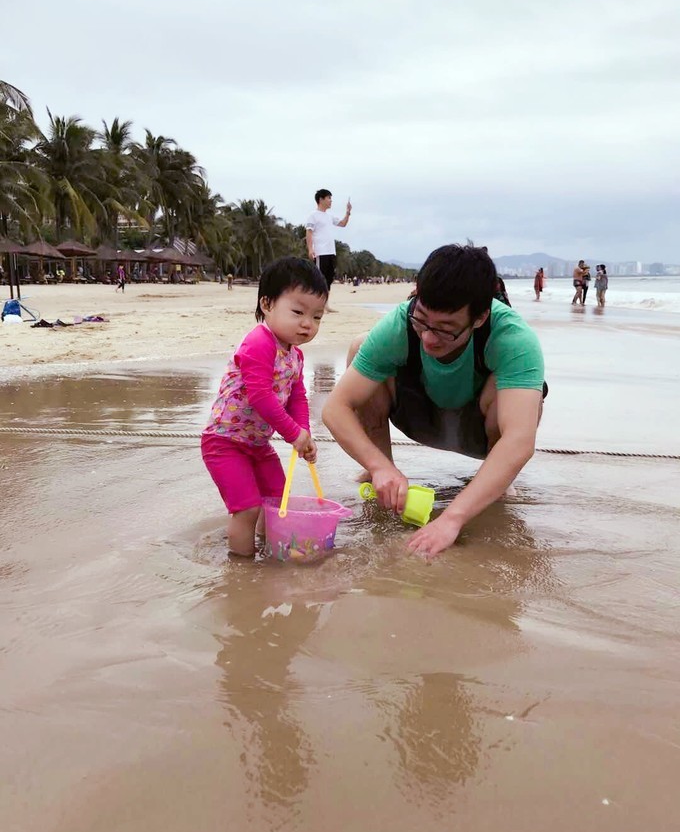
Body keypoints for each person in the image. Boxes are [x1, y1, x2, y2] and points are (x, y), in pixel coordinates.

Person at [322, 243, 545, 558]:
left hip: (478, 432)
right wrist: (378, 465)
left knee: (516, 393)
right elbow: (335, 408)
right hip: (419, 416)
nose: (428, 337)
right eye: (422, 320)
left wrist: (452, 519)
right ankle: (382, 475)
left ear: (480, 317)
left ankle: (496, 483)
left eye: (446, 330)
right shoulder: (401, 322)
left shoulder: (513, 338)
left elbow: (521, 442)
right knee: (361, 348)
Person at [201, 257, 328, 556]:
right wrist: (293, 434)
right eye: (298, 312)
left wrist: (305, 433)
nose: (308, 324)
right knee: (247, 508)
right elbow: (260, 396)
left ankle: (268, 552)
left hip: (257, 445)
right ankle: (242, 571)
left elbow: (298, 397)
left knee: (276, 500)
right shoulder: (259, 342)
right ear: (268, 304)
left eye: (318, 316)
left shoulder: (295, 355)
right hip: (224, 443)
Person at [305, 189, 352, 303]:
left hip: (331, 251)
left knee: (329, 278)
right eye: (329, 198)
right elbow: (309, 232)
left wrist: (348, 212)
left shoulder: (329, 216)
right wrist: (310, 249)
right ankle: (316, 303)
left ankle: (325, 304)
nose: (331, 201)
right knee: (320, 278)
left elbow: (343, 224)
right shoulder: (313, 215)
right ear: (321, 199)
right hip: (321, 251)